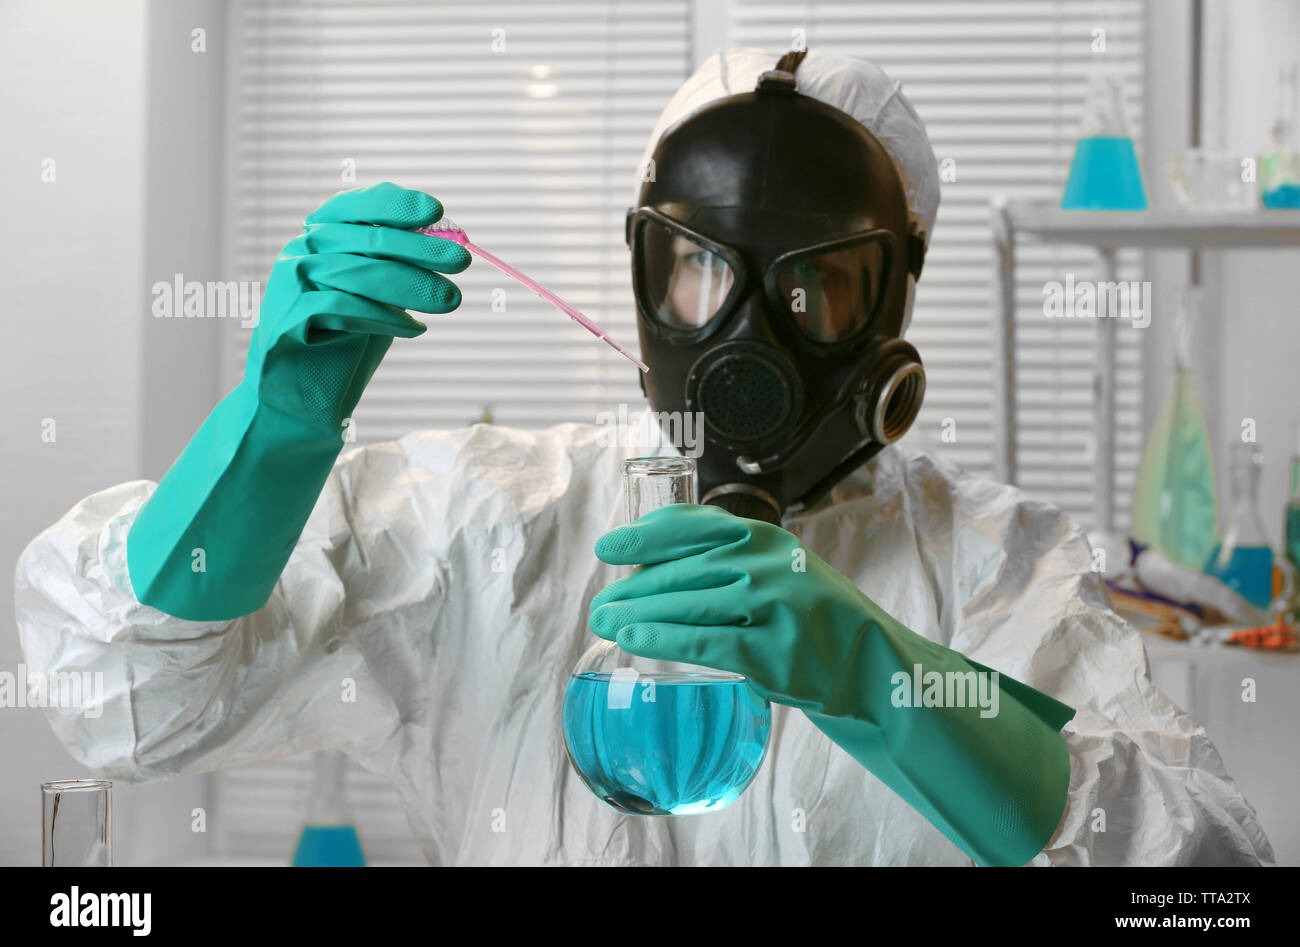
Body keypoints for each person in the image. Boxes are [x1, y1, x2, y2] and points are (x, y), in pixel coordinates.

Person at [15, 49, 1272, 866]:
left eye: (813, 285)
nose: (745, 335)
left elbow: (1205, 877)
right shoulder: (495, 521)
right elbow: (128, 697)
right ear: (643, 275)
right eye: (702, 269)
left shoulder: (1001, 567)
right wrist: (275, 426)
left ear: (891, 301)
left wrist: (885, 676)